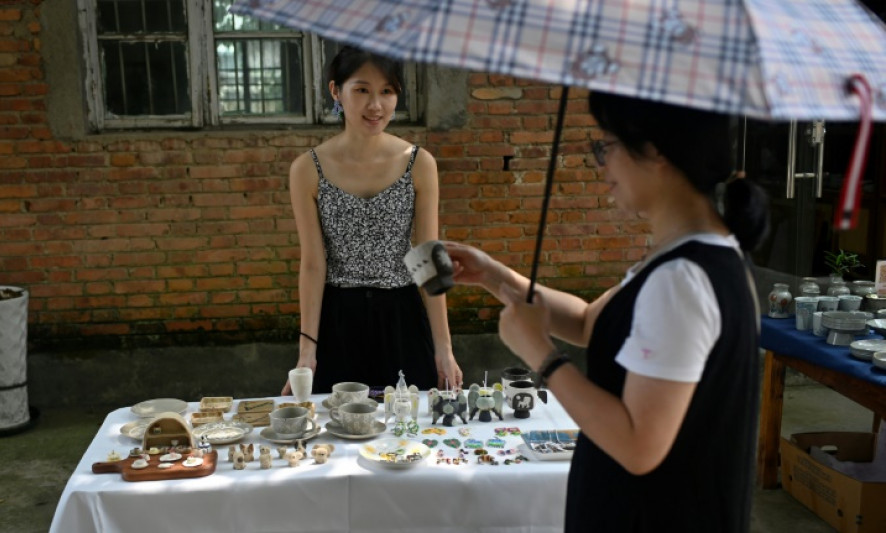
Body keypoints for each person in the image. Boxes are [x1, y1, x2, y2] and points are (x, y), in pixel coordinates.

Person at [445, 91, 769, 532]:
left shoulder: (682, 280)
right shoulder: (692, 257)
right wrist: (491, 275)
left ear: (654, 150)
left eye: (607, 146)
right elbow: (585, 321)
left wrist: (541, 356)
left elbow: (639, 445)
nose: (602, 164)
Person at [282, 46, 463, 396]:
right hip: (338, 319)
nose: (375, 105)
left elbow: (428, 256)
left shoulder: (419, 163)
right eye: (362, 90)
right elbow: (312, 264)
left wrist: (444, 347)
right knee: (332, 433)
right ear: (336, 91)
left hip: (403, 317)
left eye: (387, 91)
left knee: (411, 435)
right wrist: (307, 351)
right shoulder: (307, 169)